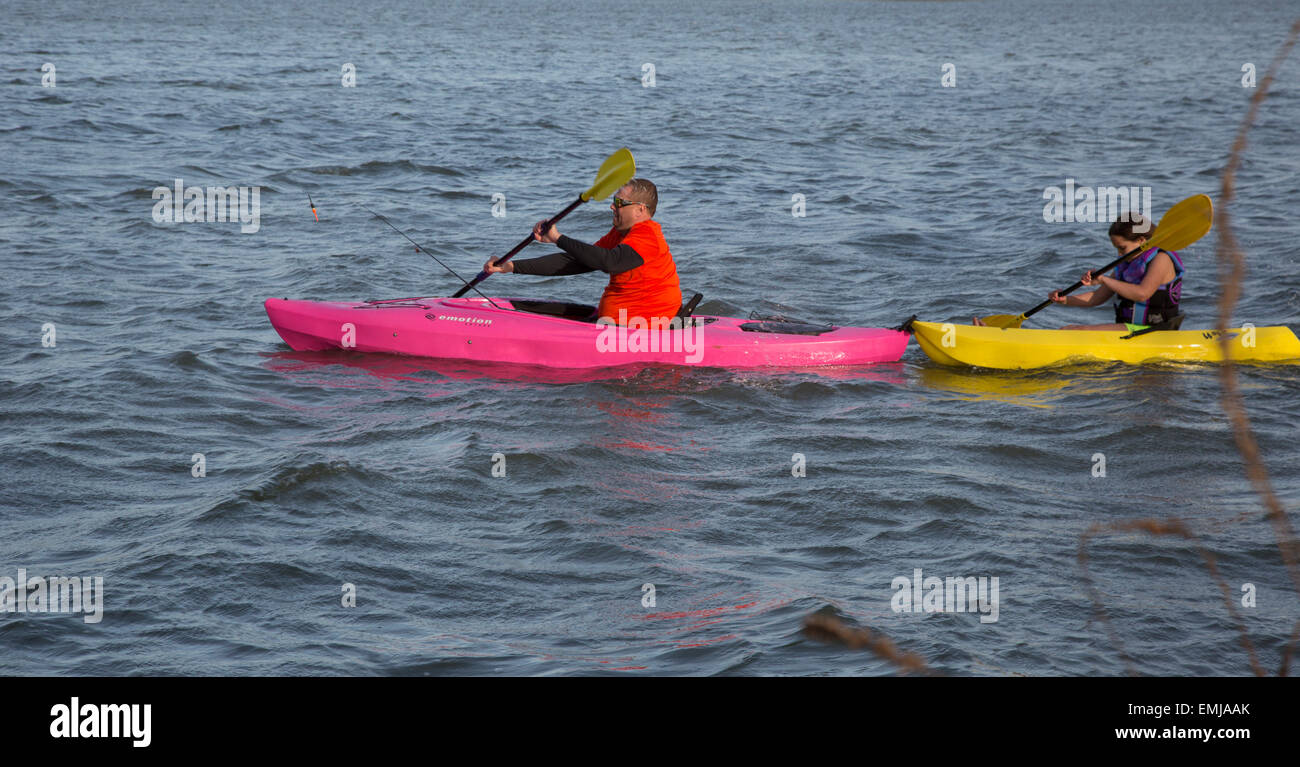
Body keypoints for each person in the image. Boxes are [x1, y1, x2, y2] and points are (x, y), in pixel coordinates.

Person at [482, 178, 682, 325]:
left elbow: (609, 262)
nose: (612, 206)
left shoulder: (648, 237)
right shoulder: (620, 233)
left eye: (620, 202)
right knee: (533, 309)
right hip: (617, 324)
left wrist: (558, 239)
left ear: (640, 210)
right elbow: (579, 261)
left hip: (644, 330)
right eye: (614, 200)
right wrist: (510, 267)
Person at [973, 215, 1184, 331]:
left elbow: (1142, 294)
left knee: (1071, 331)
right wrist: (1065, 300)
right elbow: (1095, 299)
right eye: (1116, 248)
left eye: (1122, 248)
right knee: (1069, 330)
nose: (1118, 253)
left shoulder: (1161, 259)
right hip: (1132, 329)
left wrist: (1103, 279)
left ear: (1141, 241)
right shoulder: (1126, 264)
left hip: (1156, 331)